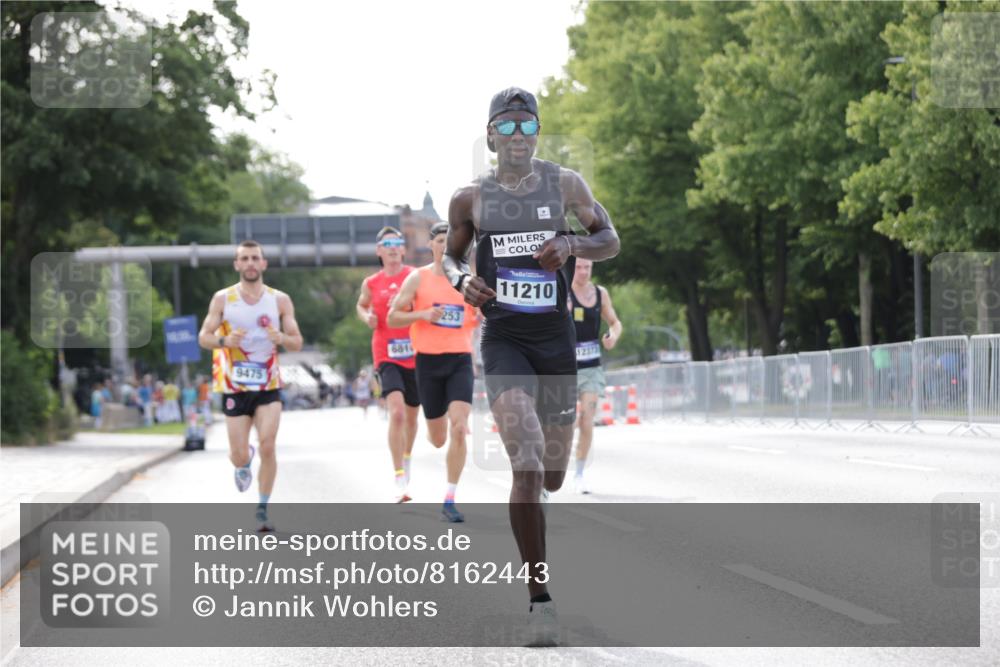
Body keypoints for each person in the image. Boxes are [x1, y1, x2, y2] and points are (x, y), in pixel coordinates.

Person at [442, 87, 619, 645]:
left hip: (554, 341)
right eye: (507, 126)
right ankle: (539, 600)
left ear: (538, 132)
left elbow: (609, 238)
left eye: (526, 126)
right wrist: (461, 280)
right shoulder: (470, 198)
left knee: (553, 475)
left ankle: (542, 489)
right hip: (504, 338)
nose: (517, 136)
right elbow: (450, 255)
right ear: (490, 135)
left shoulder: (565, 184)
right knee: (525, 461)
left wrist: (570, 244)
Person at [198, 239, 303, 532]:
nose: (250, 263)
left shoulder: (280, 300)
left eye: (255, 258)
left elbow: (297, 342)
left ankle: (262, 509)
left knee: (268, 445)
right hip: (235, 386)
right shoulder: (223, 299)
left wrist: (282, 338)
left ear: (263, 263)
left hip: (268, 385)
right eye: (244, 259)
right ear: (237, 265)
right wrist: (224, 340)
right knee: (239, 454)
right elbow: (204, 337)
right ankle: (244, 463)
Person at [388, 221, 479, 523]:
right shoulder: (418, 278)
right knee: (439, 438)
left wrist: (483, 313)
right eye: (440, 240)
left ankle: (450, 499)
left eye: (450, 241)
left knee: (459, 427)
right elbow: (393, 317)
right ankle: (431, 430)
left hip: (460, 360)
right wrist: (423, 314)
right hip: (427, 363)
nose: (444, 245)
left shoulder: (468, 281)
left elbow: (483, 315)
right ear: (431, 245)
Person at [357, 227, 421, 503]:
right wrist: (366, 317)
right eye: (387, 244)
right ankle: (398, 475)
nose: (393, 247)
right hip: (386, 354)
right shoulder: (371, 282)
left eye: (397, 243)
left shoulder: (415, 276)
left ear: (404, 250)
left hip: (416, 352)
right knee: (396, 413)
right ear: (379, 251)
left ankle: (406, 457)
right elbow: (361, 306)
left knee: (412, 417)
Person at [568, 258, 622, 494]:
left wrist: (613, 336)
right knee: (565, 424)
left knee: (587, 421)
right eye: (578, 267)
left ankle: (579, 474)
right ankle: (552, 468)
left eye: (587, 267)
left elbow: (615, 322)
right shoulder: (563, 292)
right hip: (565, 368)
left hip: (591, 367)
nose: (583, 272)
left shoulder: (600, 294)